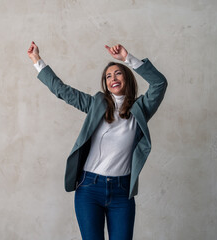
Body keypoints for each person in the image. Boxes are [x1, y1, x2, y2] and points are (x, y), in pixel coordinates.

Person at [27, 41, 167, 240]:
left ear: (127, 78)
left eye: (118, 73)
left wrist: (127, 58)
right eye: (108, 76)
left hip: (122, 192)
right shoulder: (96, 105)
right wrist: (36, 60)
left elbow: (159, 83)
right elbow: (62, 90)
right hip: (89, 189)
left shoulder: (141, 109)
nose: (113, 78)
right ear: (105, 84)